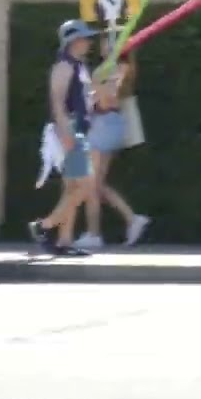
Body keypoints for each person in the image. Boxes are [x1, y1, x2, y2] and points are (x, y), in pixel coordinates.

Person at [28, 20, 100, 257]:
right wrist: (66, 134)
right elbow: (57, 102)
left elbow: (84, 100)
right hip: (69, 131)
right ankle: (45, 226)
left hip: (78, 130)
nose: (89, 42)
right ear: (73, 40)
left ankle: (64, 240)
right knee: (86, 185)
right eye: (85, 38)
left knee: (72, 188)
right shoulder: (64, 66)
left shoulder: (79, 67)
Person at [74, 44, 151, 249]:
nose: (102, 44)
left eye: (107, 41)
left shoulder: (113, 69)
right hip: (111, 124)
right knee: (96, 184)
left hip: (104, 123)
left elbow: (106, 98)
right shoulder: (120, 68)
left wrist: (92, 88)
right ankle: (132, 219)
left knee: (90, 184)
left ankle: (94, 234)